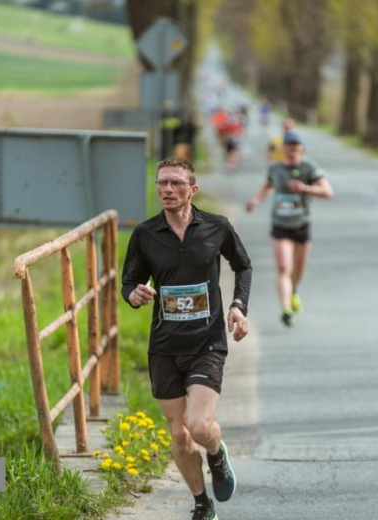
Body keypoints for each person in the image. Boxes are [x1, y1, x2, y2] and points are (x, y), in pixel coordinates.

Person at [122, 157, 252, 520]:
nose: (167, 189)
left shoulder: (216, 228)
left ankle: (216, 452)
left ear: (192, 189)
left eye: (176, 183)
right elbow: (129, 282)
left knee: (198, 427)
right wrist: (133, 295)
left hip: (206, 343)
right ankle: (201, 502)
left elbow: (242, 265)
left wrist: (238, 306)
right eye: (162, 183)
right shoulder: (145, 235)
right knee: (179, 436)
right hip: (164, 347)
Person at [246, 131, 333, 327]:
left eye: (296, 145)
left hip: (302, 224)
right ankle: (285, 308)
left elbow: (328, 192)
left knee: (298, 268)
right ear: (284, 147)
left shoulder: (309, 167)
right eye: (289, 144)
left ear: (301, 148)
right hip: (280, 225)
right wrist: (255, 200)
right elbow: (267, 186)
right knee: (284, 267)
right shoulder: (275, 168)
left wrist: (306, 189)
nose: (293, 148)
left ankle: (293, 290)